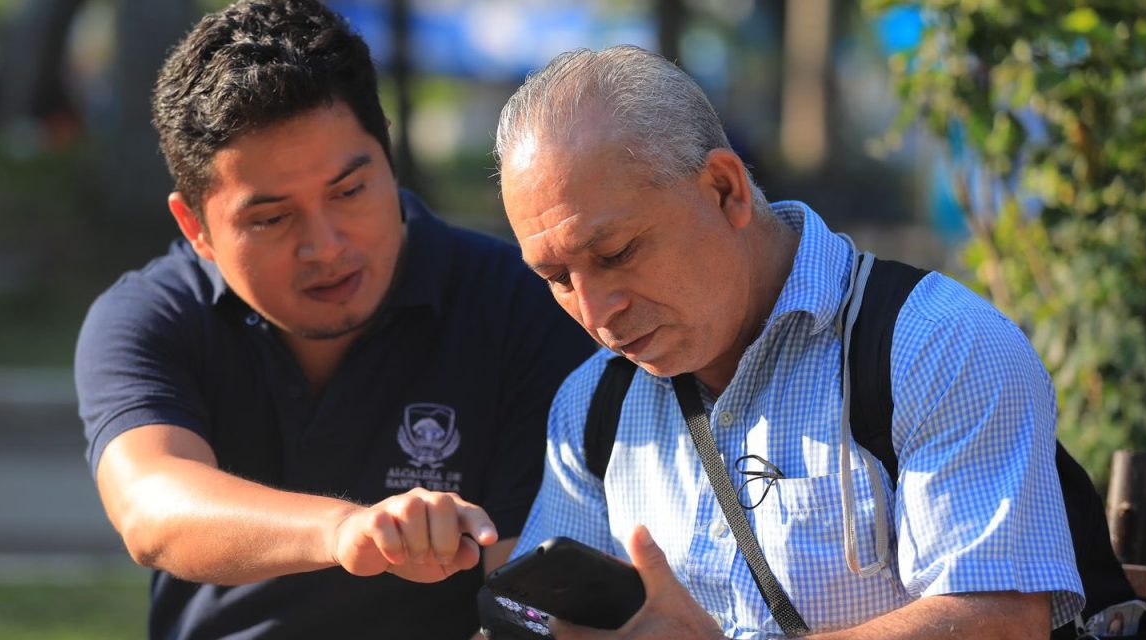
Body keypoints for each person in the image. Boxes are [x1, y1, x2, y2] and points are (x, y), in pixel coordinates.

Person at [494, 45, 1084, 639]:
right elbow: (543, 618)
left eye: (616, 253)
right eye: (557, 279)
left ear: (726, 189)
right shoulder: (593, 401)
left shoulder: (938, 345)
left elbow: (1001, 623)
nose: (596, 313)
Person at [73, 1, 594, 637]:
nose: (325, 246)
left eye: (349, 192)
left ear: (388, 155)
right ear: (196, 228)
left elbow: (532, 584)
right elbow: (154, 509)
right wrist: (345, 530)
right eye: (271, 218)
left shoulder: (519, 303)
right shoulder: (150, 316)